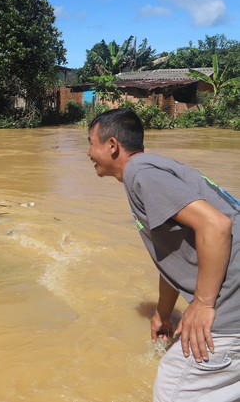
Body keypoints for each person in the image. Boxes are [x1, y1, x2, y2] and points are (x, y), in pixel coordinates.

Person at [87, 108, 240, 401]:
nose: (87, 153)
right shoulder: (153, 167)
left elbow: (216, 225)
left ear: (112, 146)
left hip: (231, 312)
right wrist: (163, 313)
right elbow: (171, 251)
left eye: (91, 143)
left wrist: (204, 304)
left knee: (172, 389)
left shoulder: (140, 174)